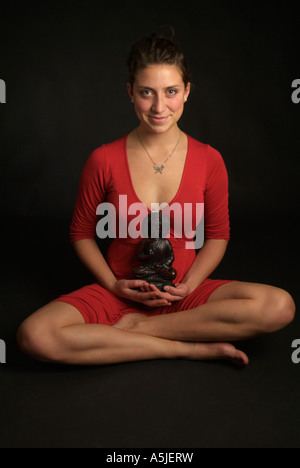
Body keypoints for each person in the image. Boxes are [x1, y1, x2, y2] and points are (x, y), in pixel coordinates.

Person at [17, 32, 295, 367]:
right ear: (130, 92)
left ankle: (142, 329)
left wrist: (189, 285)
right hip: (120, 292)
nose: (158, 106)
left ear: (187, 92)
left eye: (171, 92)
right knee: (34, 335)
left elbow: (218, 236)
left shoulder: (209, 160)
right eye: (146, 92)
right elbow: (81, 233)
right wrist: (114, 285)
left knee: (279, 305)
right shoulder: (103, 159)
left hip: (185, 294)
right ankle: (184, 347)